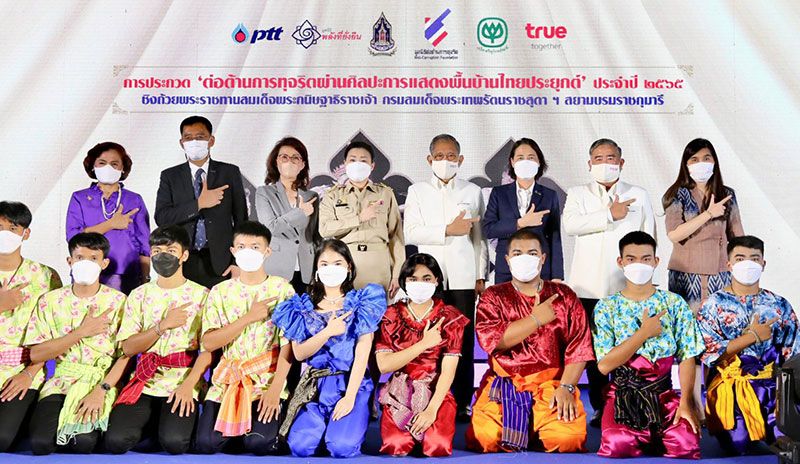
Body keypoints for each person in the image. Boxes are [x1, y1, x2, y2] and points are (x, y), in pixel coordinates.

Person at [466, 228, 594, 453]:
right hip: (505, 383)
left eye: (532, 253)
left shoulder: (563, 296)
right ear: (507, 259)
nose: (524, 258)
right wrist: (535, 320)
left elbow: (580, 348)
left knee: (567, 439)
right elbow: (493, 341)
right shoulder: (493, 296)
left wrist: (566, 387)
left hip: (552, 384)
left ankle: (536, 424)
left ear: (542, 258)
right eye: (517, 253)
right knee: (486, 438)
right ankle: (528, 426)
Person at [562, 138, 655, 426]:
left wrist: (648, 282)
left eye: (611, 158)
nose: (605, 164)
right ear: (590, 164)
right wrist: (608, 215)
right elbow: (570, 225)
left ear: (621, 162)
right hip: (588, 287)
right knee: (594, 351)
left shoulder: (638, 194)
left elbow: (649, 238)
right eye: (599, 159)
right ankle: (602, 407)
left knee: (630, 345)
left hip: (627, 287)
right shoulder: (578, 194)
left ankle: (632, 402)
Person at [593, 231, 703, 459]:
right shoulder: (606, 307)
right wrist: (643, 333)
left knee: (686, 444)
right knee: (617, 445)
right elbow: (604, 366)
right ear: (620, 262)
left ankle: (656, 435)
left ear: (656, 261)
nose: (639, 265)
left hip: (664, 395)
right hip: (623, 396)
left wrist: (686, 402)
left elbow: (688, 355)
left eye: (645, 259)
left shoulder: (673, 303)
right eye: (631, 259)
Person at [273, 238, 386, 458]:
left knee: (341, 447)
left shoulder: (362, 303)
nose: (330, 269)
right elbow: (299, 353)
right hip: (315, 386)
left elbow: (362, 353)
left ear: (349, 267)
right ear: (316, 268)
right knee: (300, 447)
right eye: (324, 264)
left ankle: (341, 429)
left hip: (350, 383)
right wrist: (327, 332)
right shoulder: (301, 307)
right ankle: (321, 431)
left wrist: (350, 397)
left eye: (337, 263)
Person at [104, 226, 211, 454]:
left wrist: (188, 386)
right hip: (145, 378)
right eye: (157, 251)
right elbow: (128, 347)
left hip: (182, 379)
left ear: (184, 255)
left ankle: (171, 424)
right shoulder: (139, 295)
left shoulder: (202, 295)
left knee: (174, 443)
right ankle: (153, 423)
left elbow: (208, 351)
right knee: (115, 441)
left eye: (171, 251)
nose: (163, 256)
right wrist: (161, 327)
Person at [403, 133, 487, 419]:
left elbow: (479, 238)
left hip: (463, 276)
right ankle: (427, 396)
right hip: (429, 279)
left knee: (462, 340)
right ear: (430, 160)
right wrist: (447, 230)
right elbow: (411, 232)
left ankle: (462, 400)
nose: (445, 161)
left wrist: (480, 274)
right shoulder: (417, 191)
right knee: (430, 338)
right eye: (439, 156)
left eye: (451, 156)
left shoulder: (472, 191)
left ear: (460, 159)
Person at [195, 221, 295, 455]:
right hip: (229, 378)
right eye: (241, 246)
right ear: (233, 251)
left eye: (255, 247)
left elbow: (288, 345)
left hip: (265, 379)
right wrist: (248, 318)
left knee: (259, 444)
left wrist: (275, 389)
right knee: (206, 443)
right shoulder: (220, 291)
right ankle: (239, 431)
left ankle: (259, 430)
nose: (247, 252)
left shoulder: (282, 289)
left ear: (267, 251)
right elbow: (208, 342)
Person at [25, 233, 128, 455]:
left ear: (104, 263)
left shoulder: (118, 301)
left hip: (99, 381)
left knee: (83, 444)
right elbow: (36, 354)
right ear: (70, 261)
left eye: (93, 258)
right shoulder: (50, 301)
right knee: (41, 444)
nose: (86, 263)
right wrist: (80, 332)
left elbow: (125, 355)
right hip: (62, 381)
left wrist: (102, 390)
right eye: (80, 257)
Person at [697, 235, 799, 455]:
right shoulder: (713, 304)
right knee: (738, 446)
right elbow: (708, 353)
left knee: (789, 441)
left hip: (773, 389)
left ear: (763, 263)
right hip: (731, 390)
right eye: (740, 258)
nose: (748, 264)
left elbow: (793, 352)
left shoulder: (779, 304)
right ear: (729, 264)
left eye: (754, 258)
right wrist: (751, 337)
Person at [375, 253, 469, 457]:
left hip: (435, 390)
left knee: (437, 446)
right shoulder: (391, 315)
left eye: (427, 278)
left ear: (437, 280)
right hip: (400, 390)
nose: (420, 284)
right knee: (396, 445)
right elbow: (384, 365)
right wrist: (424, 344)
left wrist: (431, 410)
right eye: (413, 279)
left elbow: (448, 371)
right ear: (404, 281)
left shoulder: (450, 317)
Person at [155, 115, 248, 289]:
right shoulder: (170, 176)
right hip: (182, 259)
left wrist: (237, 262)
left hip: (221, 261)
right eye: (188, 138)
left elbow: (241, 221)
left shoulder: (229, 172)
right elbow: (162, 217)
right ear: (181, 142)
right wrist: (198, 204)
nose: (194, 142)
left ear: (211, 140)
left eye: (200, 137)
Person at [0, 201, 60, 452]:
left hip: (22, 369)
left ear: (26, 233)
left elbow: (56, 332)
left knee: (2, 438)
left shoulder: (46, 276)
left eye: (12, 228)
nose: (4, 234)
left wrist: (29, 373)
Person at [663, 138, 744, 312]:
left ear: (714, 161)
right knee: (686, 322)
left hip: (720, 272)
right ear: (686, 164)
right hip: (686, 274)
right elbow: (674, 234)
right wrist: (708, 214)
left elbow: (738, 237)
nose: (701, 163)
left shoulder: (726, 194)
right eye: (694, 159)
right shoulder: (678, 194)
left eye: (706, 158)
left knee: (719, 319)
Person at [318, 141, 404, 297]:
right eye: (352, 160)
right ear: (345, 164)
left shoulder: (385, 194)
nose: (357, 164)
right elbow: (325, 230)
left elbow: (395, 236)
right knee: (345, 310)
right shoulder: (333, 195)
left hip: (378, 264)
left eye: (363, 160)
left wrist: (397, 274)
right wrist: (358, 218)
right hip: (345, 264)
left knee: (378, 310)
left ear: (372, 165)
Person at [66, 142, 150, 294]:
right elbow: (73, 237)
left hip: (125, 274)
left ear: (123, 168)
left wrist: (145, 279)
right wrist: (111, 224)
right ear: (93, 166)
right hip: (86, 270)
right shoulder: (80, 198)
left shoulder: (134, 199)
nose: (108, 168)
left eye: (114, 164)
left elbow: (145, 245)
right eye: (102, 163)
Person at [483, 137, 563, 282]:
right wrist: (520, 223)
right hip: (507, 268)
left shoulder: (549, 195)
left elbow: (555, 238)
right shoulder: (499, 193)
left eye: (531, 158)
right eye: (520, 158)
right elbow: (488, 229)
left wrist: (557, 276)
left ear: (539, 162)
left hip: (540, 269)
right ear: (512, 162)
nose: (525, 162)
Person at [255, 136, 320, 295]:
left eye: (295, 157)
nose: (289, 161)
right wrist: (300, 212)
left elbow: (315, 234)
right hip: (277, 266)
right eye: (284, 157)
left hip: (306, 269)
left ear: (302, 164)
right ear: (276, 162)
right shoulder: (264, 193)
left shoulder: (311, 196)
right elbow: (271, 228)